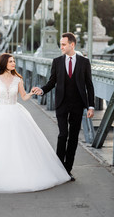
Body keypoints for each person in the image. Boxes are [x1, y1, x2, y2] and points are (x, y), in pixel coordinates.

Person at [0, 53, 70, 193]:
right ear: (4, 63)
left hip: (16, 112)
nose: (14, 63)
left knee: (19, 143)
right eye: (11, 61)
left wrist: (32, 92)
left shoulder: (18, 79)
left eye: (14, 61)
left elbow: (24, 97)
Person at [33, 32, 95, 181]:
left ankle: (67, 170)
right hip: (61, 104)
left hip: (78, 104)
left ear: (72, 45)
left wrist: (91, 106)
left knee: (73, 137)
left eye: (63, 44)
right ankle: (58, 168)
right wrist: (42, 90)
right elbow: (52, 81)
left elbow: (89, 85)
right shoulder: (57, 62)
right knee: (63, 135)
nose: (61, 47)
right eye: (61, 44)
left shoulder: (84, 62)